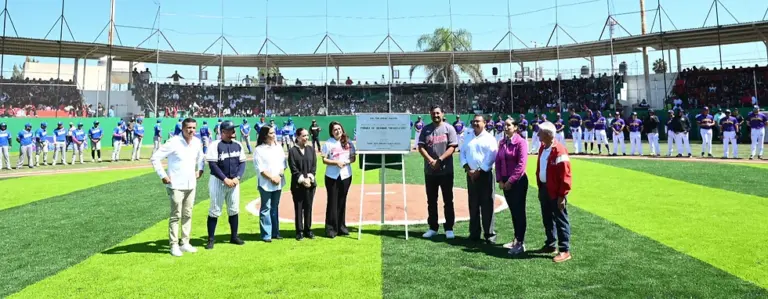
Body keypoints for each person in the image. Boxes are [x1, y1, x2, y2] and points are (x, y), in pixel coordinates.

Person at [150, 118, 205, 257]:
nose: (191, 130)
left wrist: (200, 169)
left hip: (191, 184)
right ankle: (173, 244)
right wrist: (162, 175)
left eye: (193, 127)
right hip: (176, 185)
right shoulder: (174, 142)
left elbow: (201, 157)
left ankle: (185, 242)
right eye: (188, 128)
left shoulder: (197, 142)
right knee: (176, 215)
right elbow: (155, 158)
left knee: (188, 214)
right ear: (183, 128)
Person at [418, 106, 459, 239]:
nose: (435, 115)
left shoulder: (449, 128)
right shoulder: (426, 129)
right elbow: (421, 147)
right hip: (430, 172)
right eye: (433, 113)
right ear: (430, 114)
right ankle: (433, 227)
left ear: (442, 114)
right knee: (431, 201)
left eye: (438, 113)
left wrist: (439, 160)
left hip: (446, 171)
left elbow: (452, 147)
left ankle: (449, 228)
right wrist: (431, 161)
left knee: (448, 200)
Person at [205, 120, 247, 249]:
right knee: (215, 210)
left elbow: (242, 163)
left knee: (234, 209)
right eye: (230, 130)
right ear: (223, 132)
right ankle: (211, 239)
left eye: (233, 130)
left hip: (234, 182)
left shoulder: (238, 144)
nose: (233, 132)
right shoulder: (215, 145)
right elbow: (213, 165)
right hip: (218, 182)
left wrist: (238, 178)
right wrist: (224, 179)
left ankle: (234, 236)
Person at [535, 121, 573, 263]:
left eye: (540, 132)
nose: (538, 134)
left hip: (556, 191)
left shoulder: (559, 150)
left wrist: (562, 195)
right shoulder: (543, 148)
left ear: (547, 134)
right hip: (544, 189)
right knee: (547, 218)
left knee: (560, 219)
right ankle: (550, 244)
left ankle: (564, 250)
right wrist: (540, 187)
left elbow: (566, 174)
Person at [459, 114, 498, 244]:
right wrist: (467, 168)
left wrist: (479, 170)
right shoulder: (468, 136)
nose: (475, 123)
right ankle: (474, 233)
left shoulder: (489, 138)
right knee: (473, 205)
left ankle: (489, 234)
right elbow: (462, 153)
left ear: (484, 123)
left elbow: (491, 156)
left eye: (478, 121)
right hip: (470, 175)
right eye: (474, 121)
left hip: (485, 175)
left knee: (487, 205)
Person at [495, 118, 529, 255]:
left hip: (518, 183)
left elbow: (521, 165)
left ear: (515, 127)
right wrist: (500, 180)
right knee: (514, 212)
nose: (506, 127)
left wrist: (510, 181)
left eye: (509, 125)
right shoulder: (502, 142)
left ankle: (520, 243)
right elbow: (497, 161)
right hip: (505, 182)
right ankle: (516, 239)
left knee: (519, 212)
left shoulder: (521, 142)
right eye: (505, 125)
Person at [321, 121, 356, 238]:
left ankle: (341, 227)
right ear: (331, 131)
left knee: (342, 201)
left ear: (342, 129)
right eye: (335, 129)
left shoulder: (348, 142)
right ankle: (331, 228)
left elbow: (353, 158)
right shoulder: (328, 143)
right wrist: (336, 162)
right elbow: (324, 160)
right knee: (332, 202)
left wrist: (345, 162)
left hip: (346, 175)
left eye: (339, 129)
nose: (337, 131)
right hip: (332, 176)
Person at [253, 125, 287, 242]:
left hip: (278, 182)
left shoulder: (278, 148)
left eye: (274, 132)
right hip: (265, 183)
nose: (274, 135)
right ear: (265, 135)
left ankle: (275, 232)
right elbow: (260, 169)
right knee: (265, 208)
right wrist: (271, 177)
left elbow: (283, 164)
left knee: (274, 207)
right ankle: (266, 234)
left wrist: (279, 176)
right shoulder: (259, 150)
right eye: (271, 133)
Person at [288, 128, 317, 240]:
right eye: (304, 136)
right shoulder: (292, 151)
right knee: (299, 208)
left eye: (307, 136)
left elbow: (314, 166)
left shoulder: (311, 149)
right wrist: (302, 179)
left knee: (308, 207)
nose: (306, 138)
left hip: (310, 185)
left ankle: (308, 230)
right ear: (298, 137)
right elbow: (293, 168)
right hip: (297, 185)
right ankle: (299, 231)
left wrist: (309, 178)